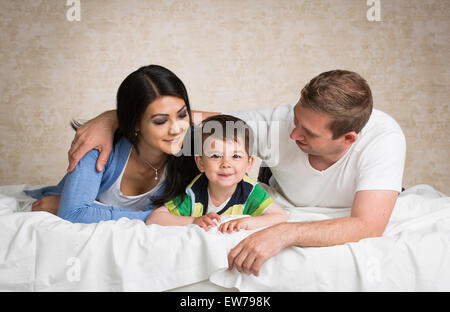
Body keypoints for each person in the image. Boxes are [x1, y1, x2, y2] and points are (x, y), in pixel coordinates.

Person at [64, 69, 406, 276]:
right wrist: (111, 118)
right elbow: (185, 119)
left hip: (304, 213)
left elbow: (367, 226)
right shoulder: (279, 126)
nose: (292, 135)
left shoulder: (383, 140)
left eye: (307, 134)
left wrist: (285, 234)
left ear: (347, 139)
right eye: (295, 120)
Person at [26, 64, 199, 223]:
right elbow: (73, 213)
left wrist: (109, 116)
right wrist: (160, 217)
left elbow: (225, 121)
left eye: (182, 115)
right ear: (135, 123)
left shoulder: (195, 150)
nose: (176, 129)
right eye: (160, 121)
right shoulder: (98, 147)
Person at [146, 115, 289, 232]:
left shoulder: (250, 192)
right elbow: (155, 219)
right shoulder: (195, 192)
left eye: (236, 156)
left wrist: (248, 222)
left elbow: (280, 217)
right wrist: (194, 220)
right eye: (215, 156)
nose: (226, 164)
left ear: (249, 164)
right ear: (201, 163)